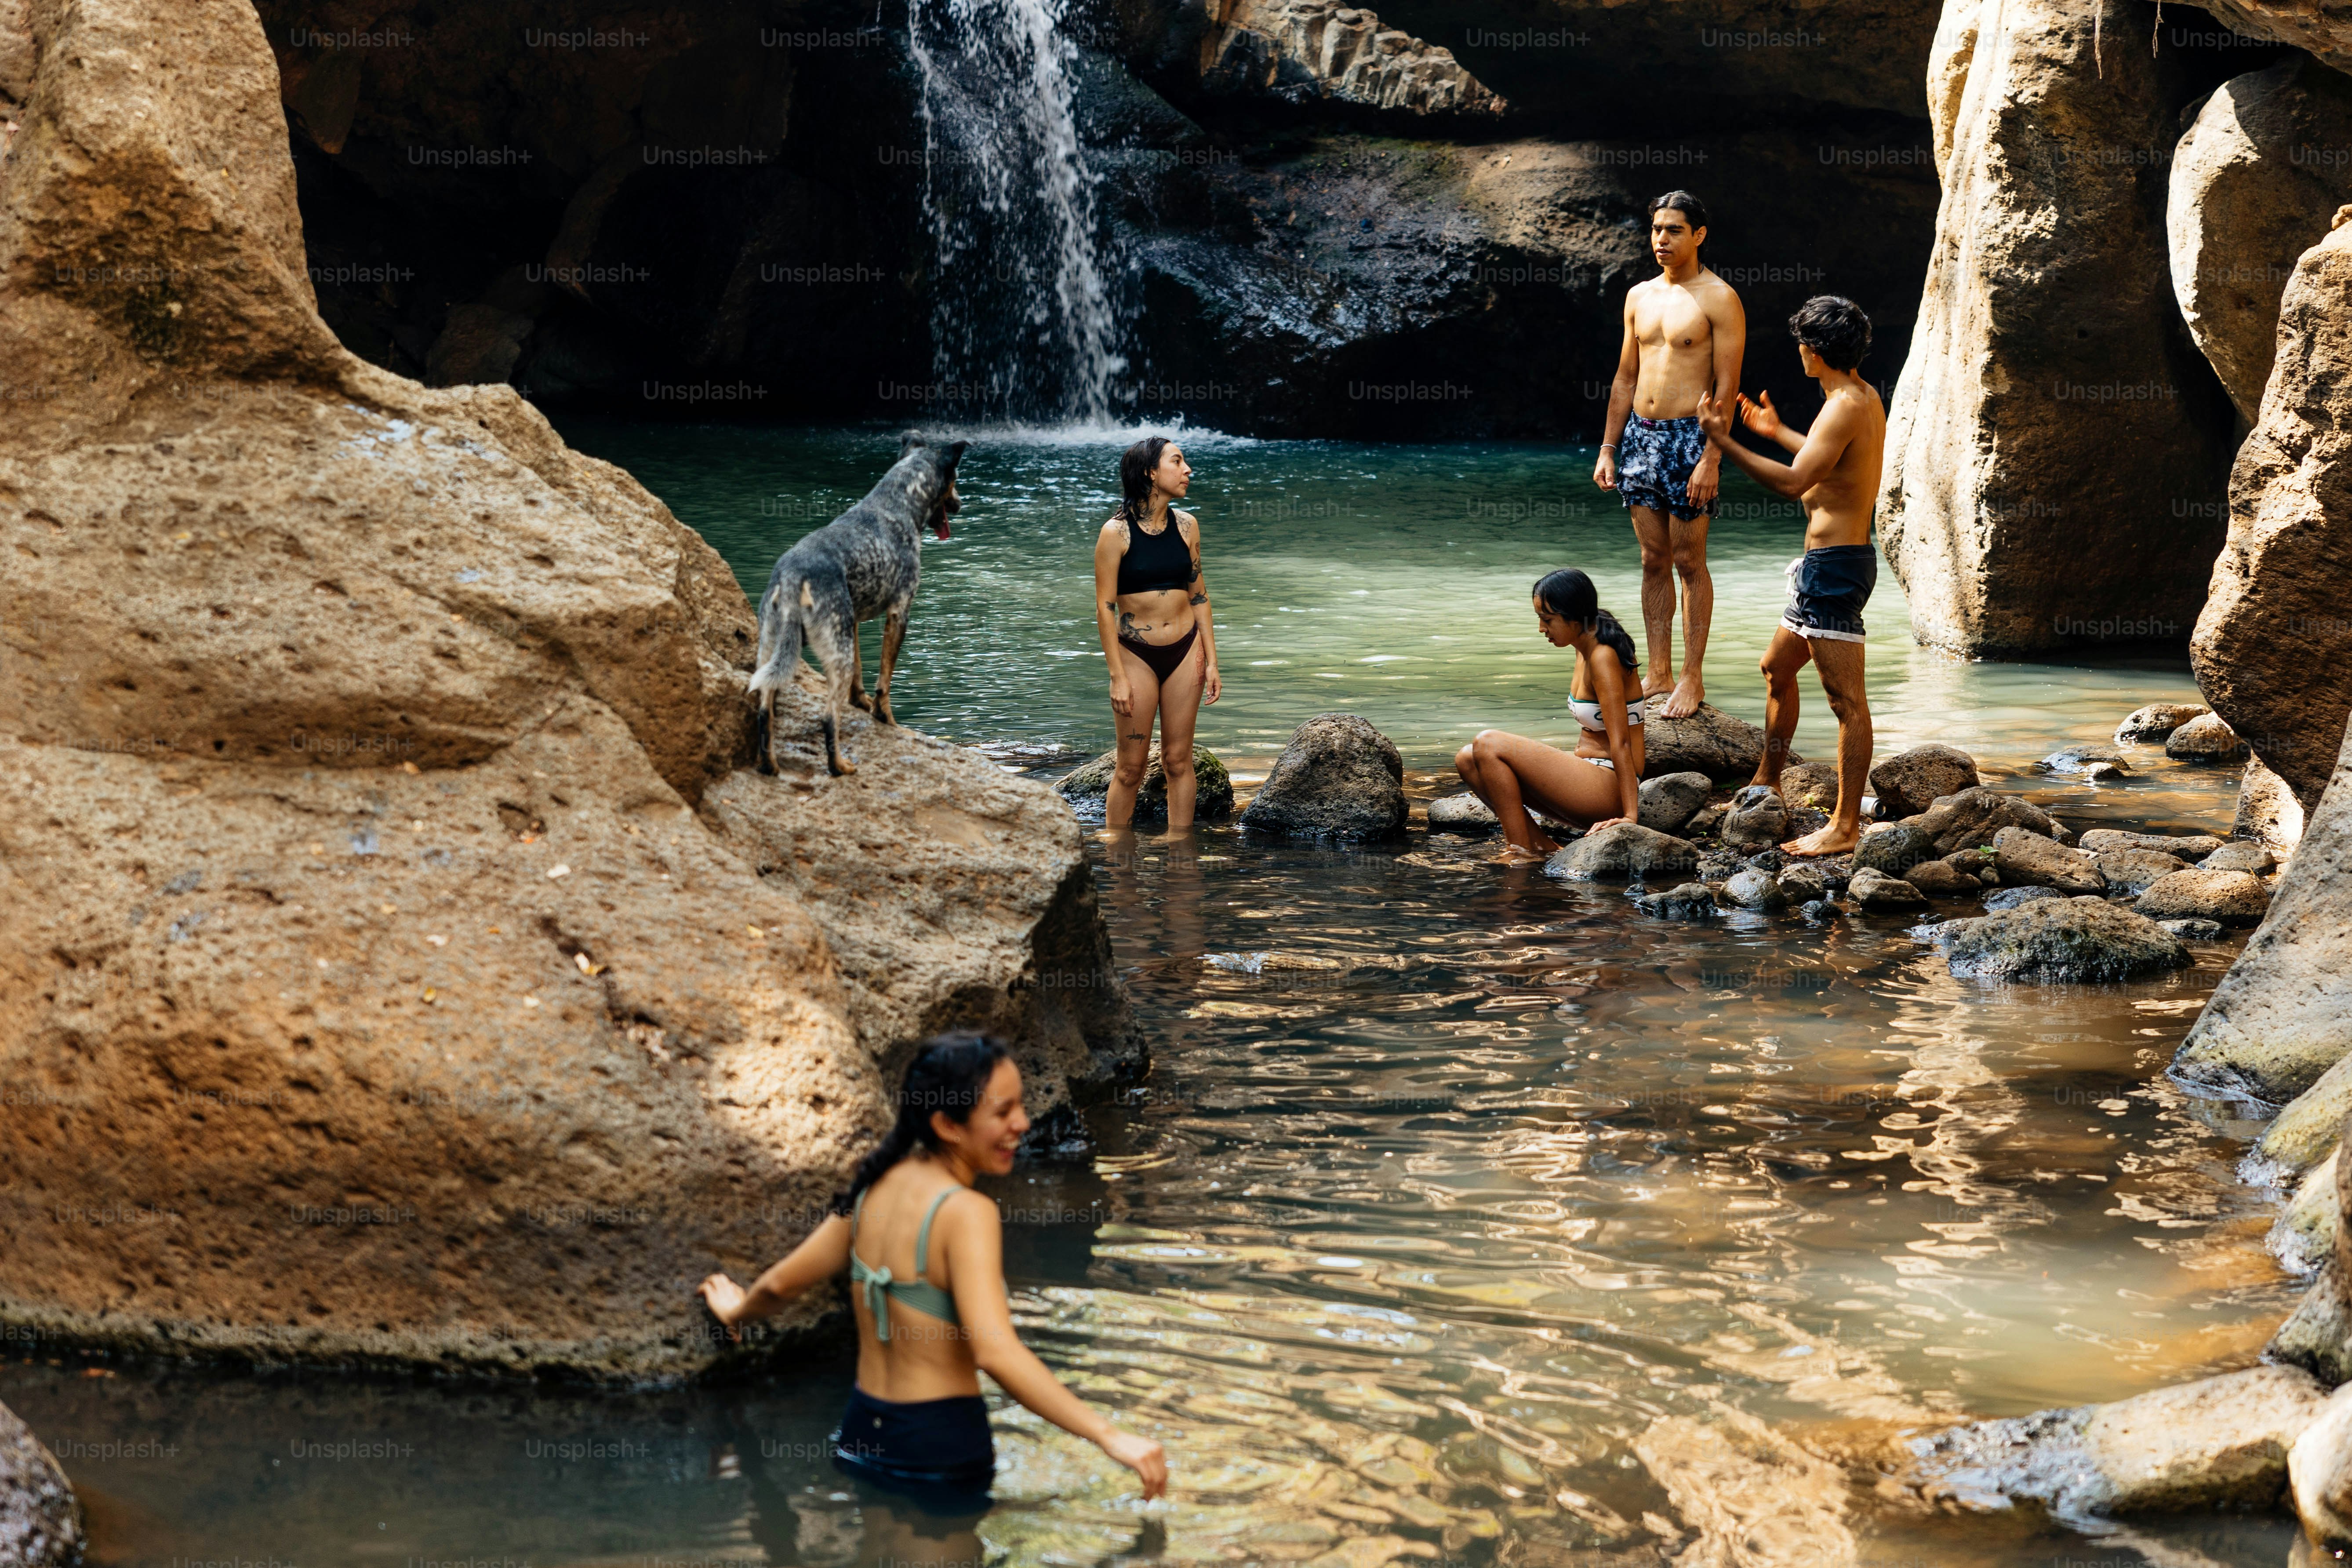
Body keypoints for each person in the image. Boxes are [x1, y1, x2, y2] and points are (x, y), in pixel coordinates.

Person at [696, 1033, 1170, 1513]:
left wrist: (736, 1312)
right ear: (947, 1124)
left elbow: (781, 1286)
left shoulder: (875, 1188)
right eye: (1002, 1113)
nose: (1022, 1124)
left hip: (863, 1433)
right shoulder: (966, 1212)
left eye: (1020, 1106)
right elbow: (995, 1351)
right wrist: (1110, 1437)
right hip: (937, 1445)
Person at [1694, 295, 1886, 856]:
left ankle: (1845, 827)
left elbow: (1793, 484)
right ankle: (1766, 780)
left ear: (1814, 350)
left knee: (1846, 703)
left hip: (1836, 570)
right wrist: (1775, 431)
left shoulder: (1845, 404)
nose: (1797, 351)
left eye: (1801, 343)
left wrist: (1722, 438)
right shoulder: (1854, 396)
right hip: (1820, 569)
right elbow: (1826, 468)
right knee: (1776, 668)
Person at [1593, 191, 1746, 721]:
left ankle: (1691, 677)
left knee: (1687, 561)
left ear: (1698, 235)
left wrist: (1712, 458)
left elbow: (1726, 386)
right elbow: (1624, 377)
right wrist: (1609, 447)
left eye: (1674, 230)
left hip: (1689, 438)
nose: (1661, 239)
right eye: (1656, 229)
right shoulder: (1638, 295)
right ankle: (1657, 671)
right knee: (1652, 560)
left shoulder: (1718, 298)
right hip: (1640, 435)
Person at [1454, 569, 1646, 860]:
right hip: (1585, 779)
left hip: (1608, 787)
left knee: (1488, 742)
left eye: (1547, 620)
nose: (1542, 629)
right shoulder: (1585, 639)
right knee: (1467, 758)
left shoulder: (1602, 656)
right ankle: (1540, 845)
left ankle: (1518, 851)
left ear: (1573, 616)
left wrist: (1630, 815)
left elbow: (1621, 743)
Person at [1093, 436, 1221, 829]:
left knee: (1178, 760)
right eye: (1177, 462)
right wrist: (1116, 676)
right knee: (1130, 768)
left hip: (1186, 651)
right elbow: (1104, 606)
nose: (1187, 470)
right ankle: (1118, 851)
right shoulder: (1115, 533)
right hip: (1136, 655)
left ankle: (1181, 852)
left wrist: (1213, 661)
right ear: (1151, 472)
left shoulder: (1187, 526)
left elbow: (1199, 596)